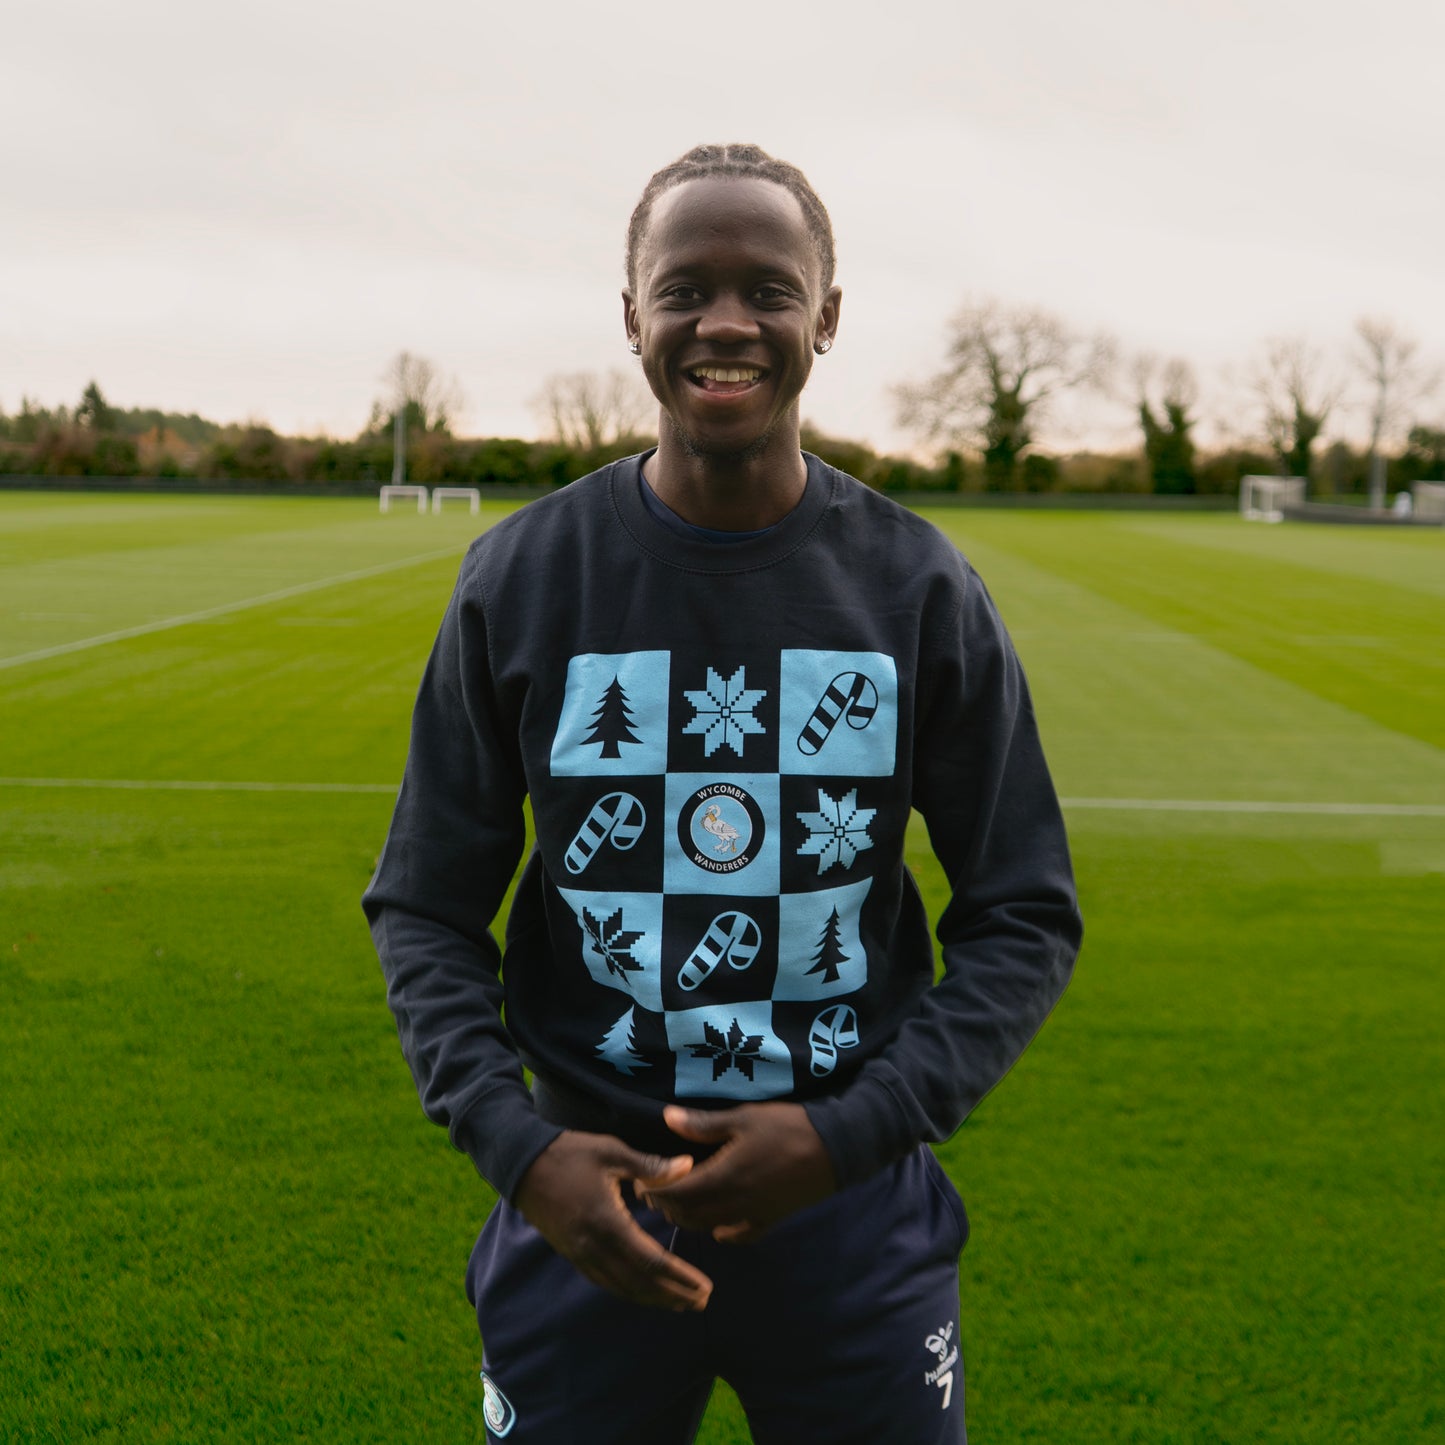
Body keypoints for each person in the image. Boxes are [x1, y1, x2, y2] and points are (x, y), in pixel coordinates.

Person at [363, 142, 1082, 1444]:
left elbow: (1023, 909)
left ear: (828, 317)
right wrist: (521, 1152)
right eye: (685, 286)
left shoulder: (917, 591)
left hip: (850, 1220)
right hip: (582, 1213)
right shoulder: (518, 579)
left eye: (770, 287)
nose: (728, 322)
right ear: (631, 312)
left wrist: (851, 1129)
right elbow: (423, 904)